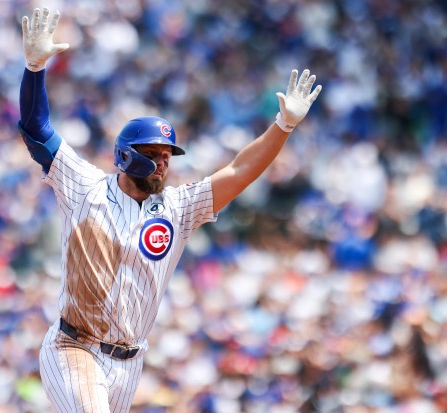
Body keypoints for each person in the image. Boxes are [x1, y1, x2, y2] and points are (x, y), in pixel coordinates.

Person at [18, 7, 322, 413]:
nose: (163, 162)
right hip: (74, 346)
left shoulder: (178, 208)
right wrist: (34, 68)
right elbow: (38, 129)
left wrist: (281, 127)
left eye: (167, 155)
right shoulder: (85, 185)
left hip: (129, 362)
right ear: (125, 156)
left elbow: (239, 170)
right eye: (153, 153)